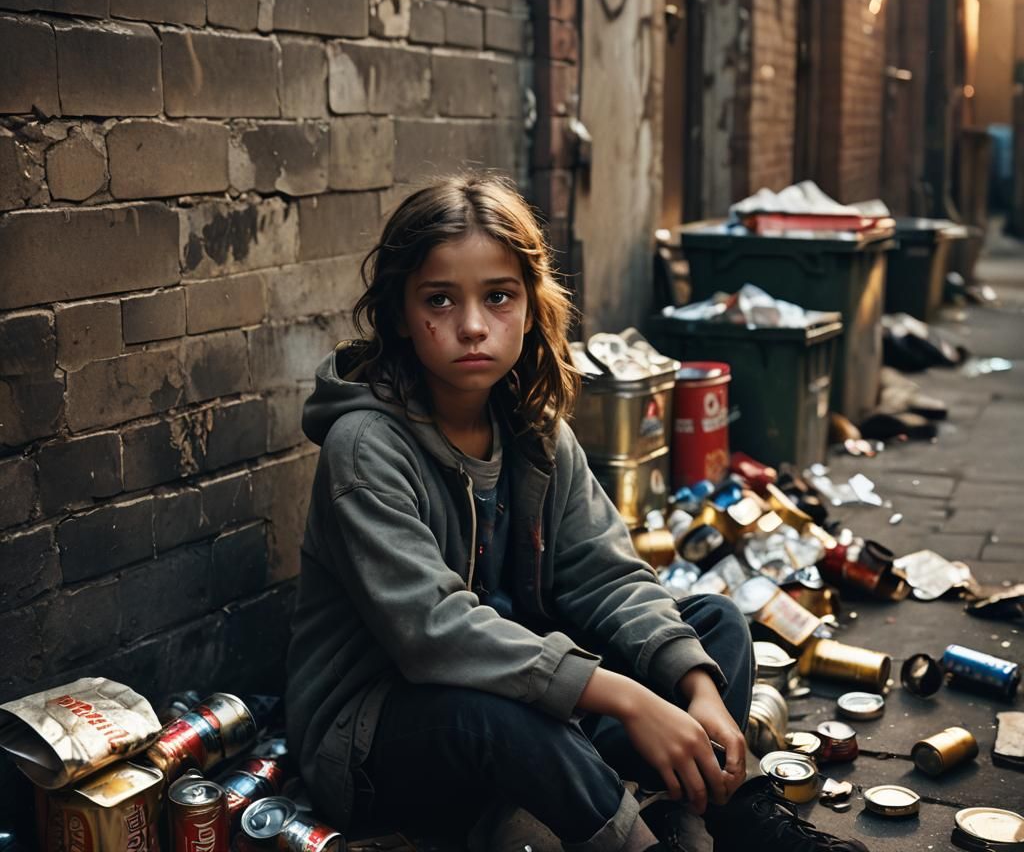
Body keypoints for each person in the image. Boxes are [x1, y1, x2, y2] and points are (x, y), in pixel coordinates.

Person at [285, 175, 869, 852]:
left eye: (498, 297)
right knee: (503, 716)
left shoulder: (534, 434)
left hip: (526, 693)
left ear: (531, 306)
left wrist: (693, 684)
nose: (472, 326)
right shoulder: (365, 448)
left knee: (714, 630)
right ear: (398, 315)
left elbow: (608, 577)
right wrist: (625, 697)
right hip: (381, 736)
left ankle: (729, 810)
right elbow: (434, 633)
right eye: (439, 300)